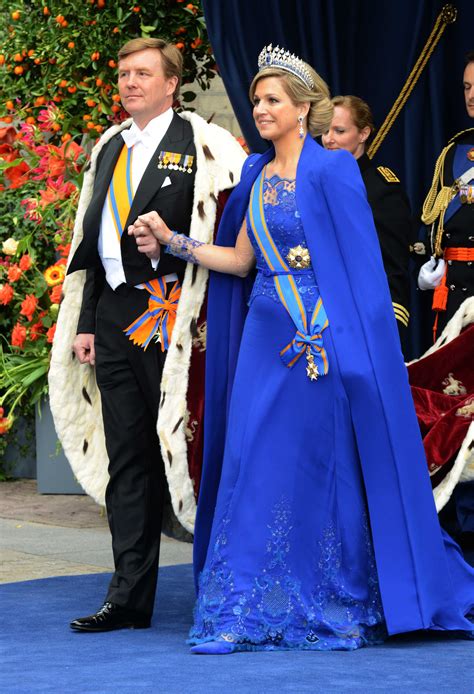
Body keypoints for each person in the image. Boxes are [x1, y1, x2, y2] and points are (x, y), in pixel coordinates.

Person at [132, 45, 474, 654]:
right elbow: (239, 260)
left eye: (271, 101)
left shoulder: (333, 170)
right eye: (258, 100)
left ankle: (338, 602)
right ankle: (239, 610)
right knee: (251, 462)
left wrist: (354, 349)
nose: (259, 108)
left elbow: (364, 272)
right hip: (267, 341)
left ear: (302, 108)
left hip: (323, 343)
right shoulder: (257, 176)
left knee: (325, 470)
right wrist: (174, 240)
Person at [48, 37, 246, 632]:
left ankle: (224, 589)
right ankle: (129, 598)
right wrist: (85, 323)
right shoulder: (110, 144)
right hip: (113, 320)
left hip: (172, 317)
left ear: (170, 83)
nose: (130, 82)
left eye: (143, 73)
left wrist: (172, 243)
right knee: (128, 460)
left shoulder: (204, 144)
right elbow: (93, 243)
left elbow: (230, 231)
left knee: (191, 456)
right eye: (124, 73)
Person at [322, 95, 412, 350]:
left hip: (361, 319)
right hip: (318, 317)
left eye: (339, 131)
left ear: (363, 134)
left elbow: (393, 268)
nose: (329, 139)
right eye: (325, 130)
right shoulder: (313, 181)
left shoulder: (381, 188)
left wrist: (387, 326)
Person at [418, 50, 474, 341]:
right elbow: (437, 212)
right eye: (467, 87)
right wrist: (430, 258)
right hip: (452, 291)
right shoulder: (454, 150)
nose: (471, 95)